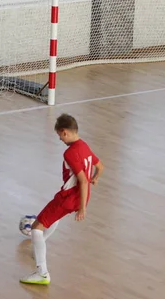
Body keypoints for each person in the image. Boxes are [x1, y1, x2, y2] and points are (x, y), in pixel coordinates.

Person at [20, 114, 104, 285]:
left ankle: (42, 272)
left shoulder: (70, 153)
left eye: (59, 135)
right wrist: (95, 177)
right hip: (81, 195)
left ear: (65, 132)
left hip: (69, 197)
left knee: (36, 228)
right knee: (53, 218)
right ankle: (39, 250)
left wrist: (82, 209)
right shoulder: (84, 146)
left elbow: (81, 180)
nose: (60, 139)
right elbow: (100, 166)